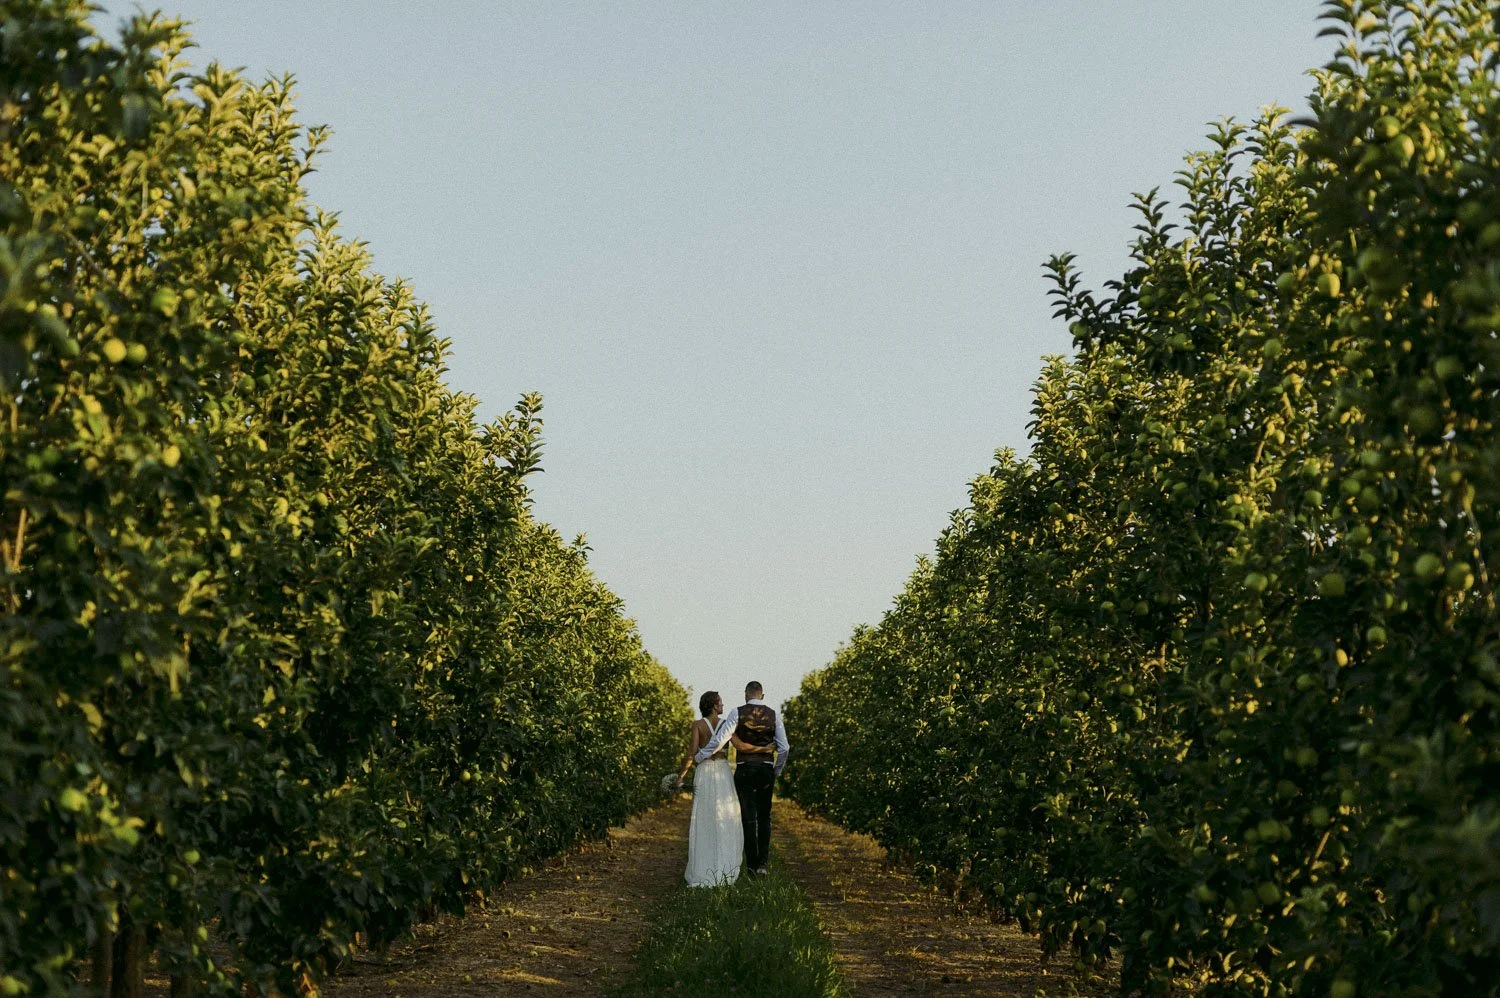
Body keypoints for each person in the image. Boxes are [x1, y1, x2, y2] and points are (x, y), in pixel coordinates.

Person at [694, 681, 790, 876]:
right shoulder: (774, 715)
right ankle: (763, 863)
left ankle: (751, 866)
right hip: (765, 769)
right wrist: (776, 770)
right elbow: (784, 747)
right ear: (762, 695)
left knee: (748, 817)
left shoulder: (737, 713)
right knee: (765, 816)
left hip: (745, 768)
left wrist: (700, 755)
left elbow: (720, 739)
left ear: (746, 694)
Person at [675, 691, 743, 886]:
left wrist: (680, 777)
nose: (722, 705)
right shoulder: (726, 725)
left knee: (704, 818)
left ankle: (703, 868)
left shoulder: (698, 725)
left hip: (704, 771)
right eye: (720, 702)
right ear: (714, 705)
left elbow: (692, 753)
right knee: (726, 816)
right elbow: (739, 745)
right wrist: (763, 749)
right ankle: (724, 866)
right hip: (722, 772)